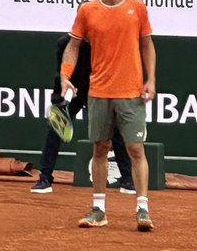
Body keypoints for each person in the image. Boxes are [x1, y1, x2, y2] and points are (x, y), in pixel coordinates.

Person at [60, 0, 156, 232]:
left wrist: (151, 80)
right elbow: (73, 46)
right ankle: (99, 209)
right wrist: (66, 75)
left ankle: (142, 209)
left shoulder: (137, 8)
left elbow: (147, 45)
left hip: (131, 91)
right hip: (99, 91)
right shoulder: (87, 10)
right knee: (100, 148)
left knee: (135, 149)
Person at [31, 33, 134, 194]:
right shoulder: (64, 43)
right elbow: (62, 72)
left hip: (99, 92)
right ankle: (45, 178)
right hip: (75, 92)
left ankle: (127, 180)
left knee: (114, 132)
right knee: (55, 129)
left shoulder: (104, 42)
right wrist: (58, 98)